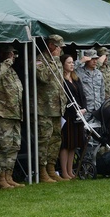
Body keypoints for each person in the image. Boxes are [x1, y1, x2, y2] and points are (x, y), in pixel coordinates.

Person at [0, 46, 23, 189]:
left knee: (14, 146)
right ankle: (0, 177)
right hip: (2, 114)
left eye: (14, 54)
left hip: (15, 114)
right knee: (3, 147)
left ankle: (9, 175)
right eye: (10, 54)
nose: (13, 56)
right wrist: (7, 61)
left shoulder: (12, 71)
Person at [35, 35, 67, 183]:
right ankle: (42, 171)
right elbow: (44, 78)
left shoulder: (58, 61)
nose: (60, 49)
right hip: (44, 108)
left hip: (57, 107)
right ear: (50, 45)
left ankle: (51, 169)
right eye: (58, 46)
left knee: (56, 139)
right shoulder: (39, 59)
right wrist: (53, 61)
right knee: (44, 139)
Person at [58, 53, 87, 180]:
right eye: (69, 62)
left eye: (72, 62)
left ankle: (71, 170)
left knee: (74, 144)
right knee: (66, 144)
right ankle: (64, 171)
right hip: (68, 115)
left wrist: (84, 108)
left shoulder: (76, 78)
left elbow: (82, 94)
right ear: (63, 64)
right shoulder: (61, 79)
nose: (71, 65)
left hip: (78, 114)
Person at [77, 49, 105, 114]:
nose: (95, 61)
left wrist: (102, 106)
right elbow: (70, 68)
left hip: (98, 108)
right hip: (86, 109)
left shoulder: (99, 73)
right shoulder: (79, 72)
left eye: (96, 59)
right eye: (92, 59)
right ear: (86, 60)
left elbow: (102, 92)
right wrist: (80, 61)